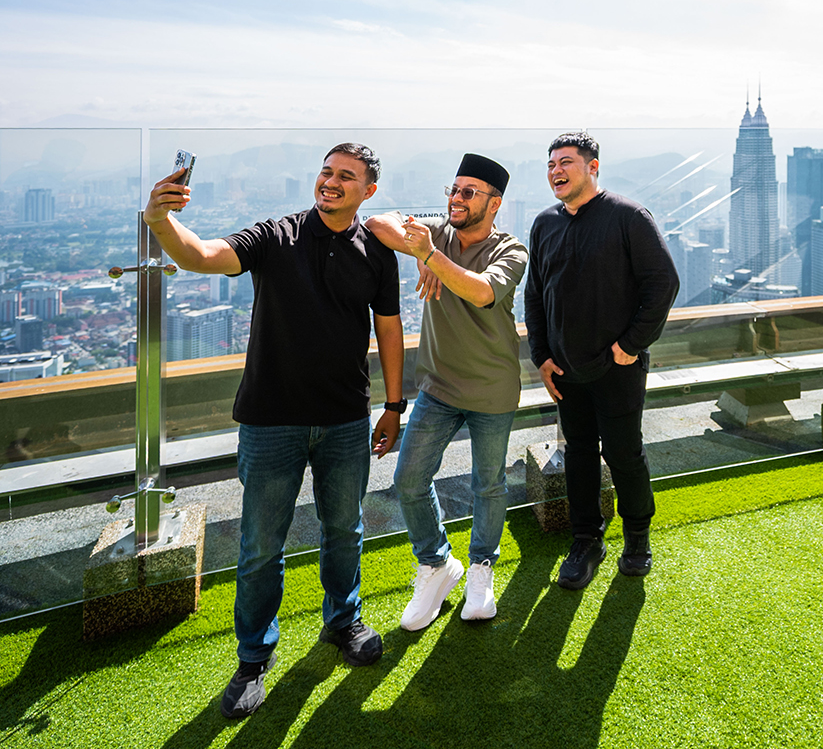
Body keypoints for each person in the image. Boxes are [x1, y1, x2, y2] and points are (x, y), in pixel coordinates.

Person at [143, 142, 403, 719]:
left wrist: (393, 404)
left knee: (346, 530)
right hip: (270, 419)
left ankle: (343, 621)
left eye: (346, 177)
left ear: (369, 191)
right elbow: (203, 256)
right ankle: (253, 659)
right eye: (326, 172)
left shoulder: (377, 252)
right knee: (262, 545)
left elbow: (389, 328)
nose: (330, 183)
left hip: (344, 418)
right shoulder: (277, 235)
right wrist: (162, 220)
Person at [365, 154, 528, 630]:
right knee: (409, 481)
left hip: (493, 390)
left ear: (494, 203)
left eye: (468, 193)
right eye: (452, 191)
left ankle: (481, 567)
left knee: (488, 484)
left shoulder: (511, 249)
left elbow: (481, 291)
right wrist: (426, 250)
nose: (456, 200)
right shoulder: (437, 232)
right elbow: (378, 221)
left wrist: (430, 256)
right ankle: (437, 563)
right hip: (436, 387)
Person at [525, 131, 679, 590]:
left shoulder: (629, 217)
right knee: (579, 458)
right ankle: (586, 540)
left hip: (618, 368)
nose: (556, 170)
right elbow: (535, 296)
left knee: (624, 454)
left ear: (593, 167)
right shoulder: (544, 224)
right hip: (566, 370)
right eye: (551, 163)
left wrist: (630, 346)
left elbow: (663, 284)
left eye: (566, 161)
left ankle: (637, 538)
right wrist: (542, 357)